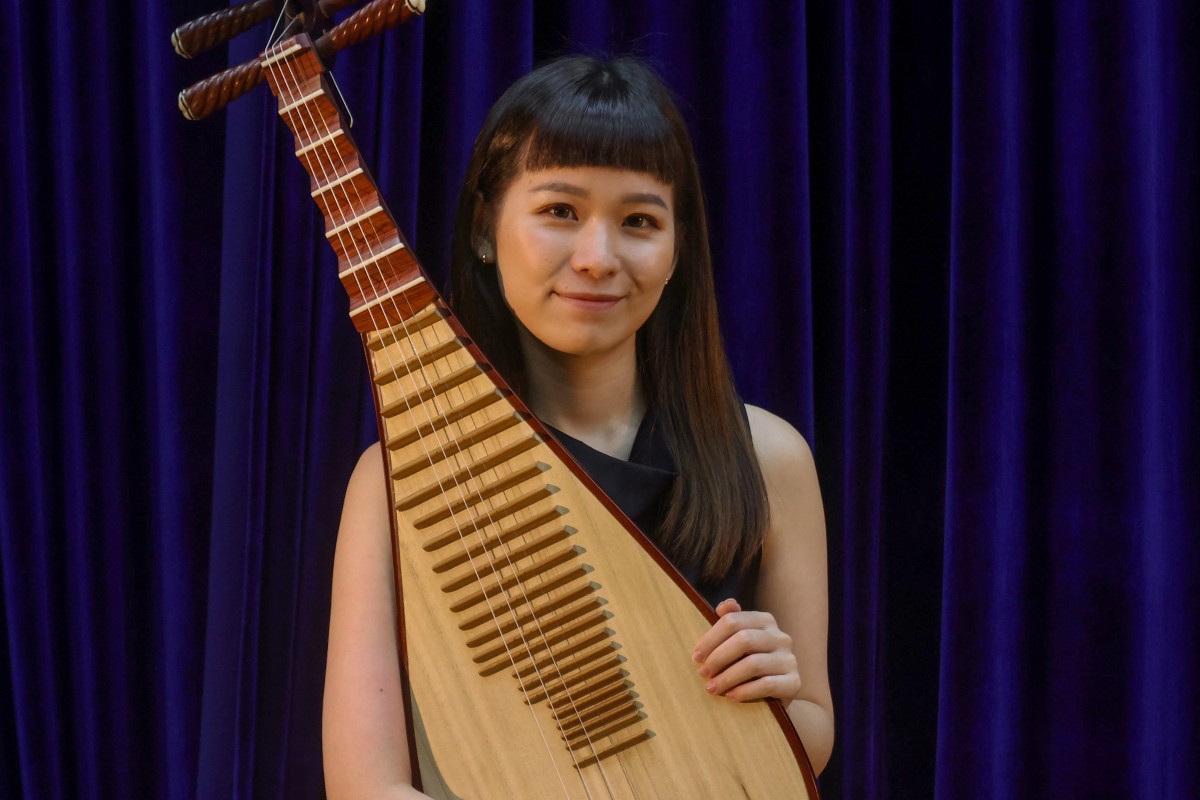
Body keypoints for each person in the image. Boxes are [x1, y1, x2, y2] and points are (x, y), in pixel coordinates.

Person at [323, 55, 833, 798]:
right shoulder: (403, 475)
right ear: (485, 232)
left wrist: (776, 701)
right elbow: (366, 785)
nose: (597, 258)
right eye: (560, 211)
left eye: (638, 222)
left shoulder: (767, 457)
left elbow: (811, 738)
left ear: (677, 251)